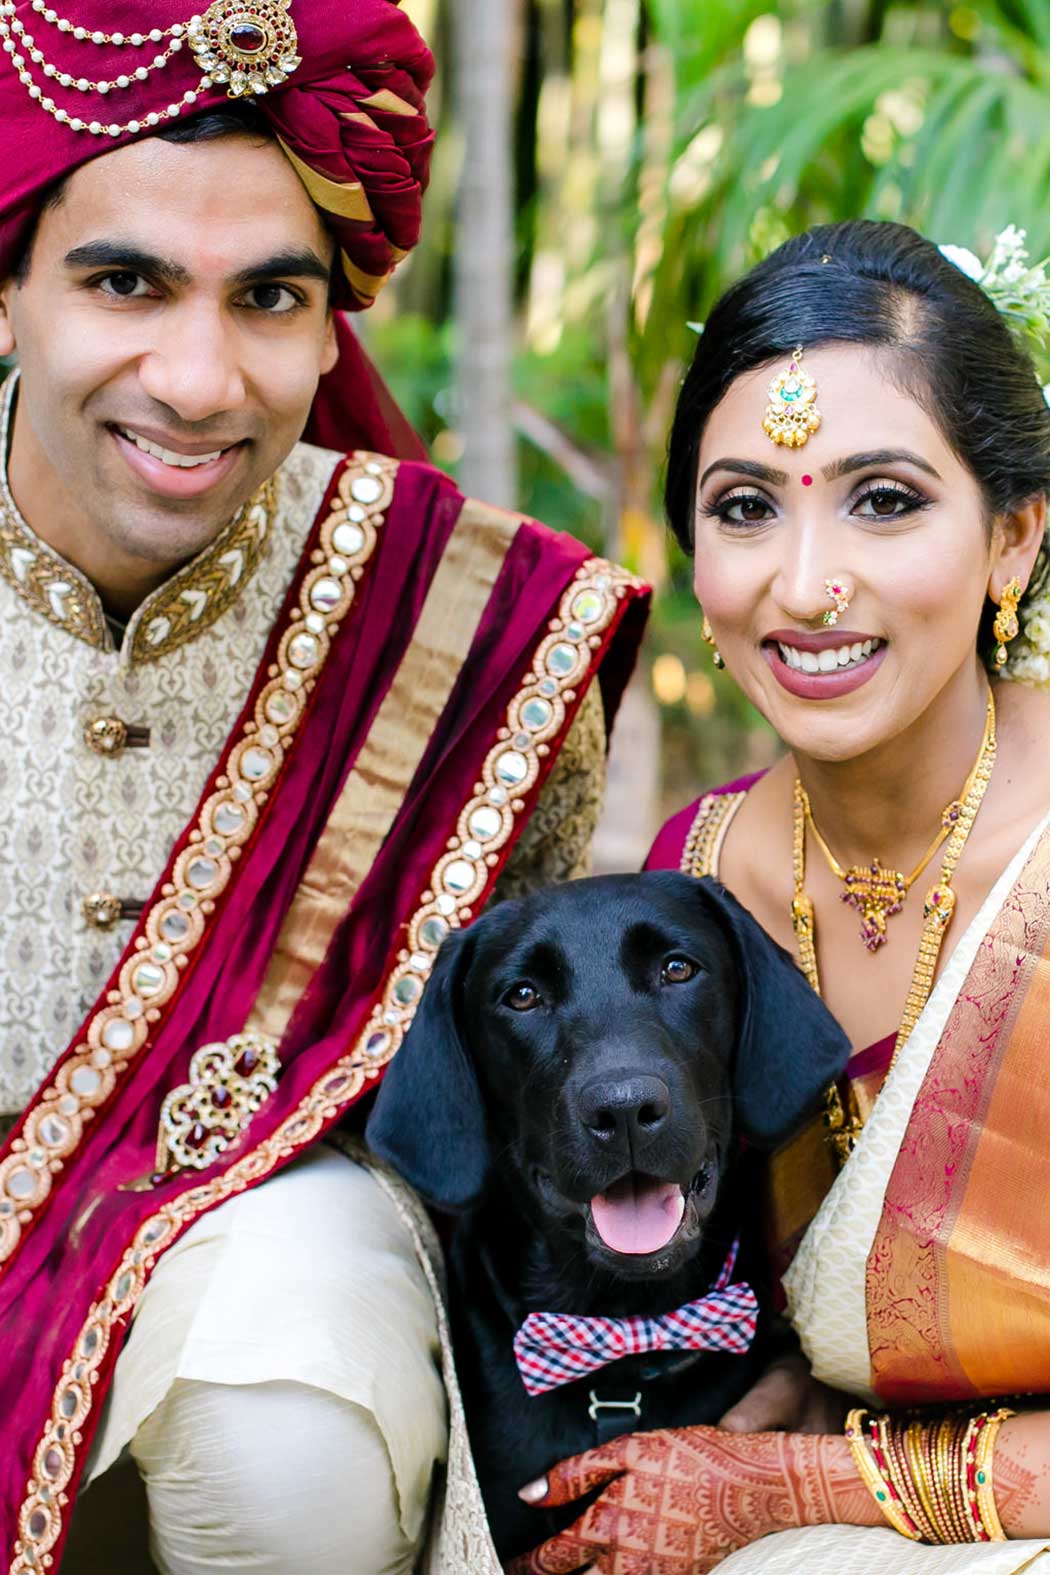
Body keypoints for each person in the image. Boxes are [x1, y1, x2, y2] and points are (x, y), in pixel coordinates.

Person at [0, 6, 650, 1572]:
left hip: (263, 1258)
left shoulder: (465, 625)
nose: (199, 378)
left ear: (329, 324)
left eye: (270, 299)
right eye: (124, 281)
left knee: (287, 1415)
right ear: (9, 288)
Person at [504, 220, 1050, 1575]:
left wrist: (791, 1483)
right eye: (745, 507)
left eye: (883, 500)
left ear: (1014, 541)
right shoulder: (689, 891)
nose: (805, 587)